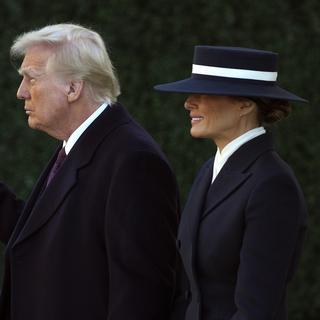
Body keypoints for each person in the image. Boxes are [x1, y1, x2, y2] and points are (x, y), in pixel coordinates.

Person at [0, 23, 179, 320]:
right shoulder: (80, 144)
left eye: (31, 79)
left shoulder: (134, 161)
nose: (21, 93)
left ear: (73, 87)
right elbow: (47, 235)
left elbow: (141, 296)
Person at [154, 46, 308, 320]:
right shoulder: (209, 171)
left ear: (245, 105)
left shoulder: (272, 184)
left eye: (205, 93)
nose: (189, 102)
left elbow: (256, 309)